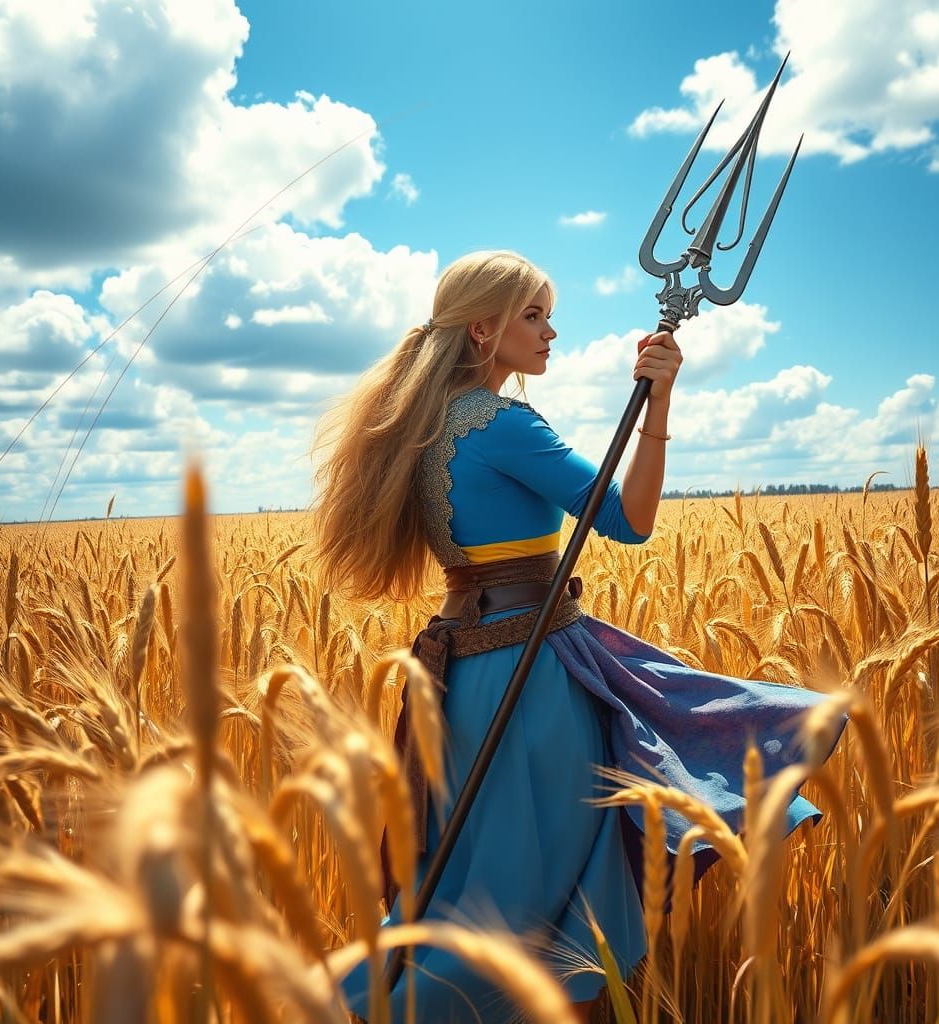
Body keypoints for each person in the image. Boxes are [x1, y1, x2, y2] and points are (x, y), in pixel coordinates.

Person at [311, 250, 845, 1023]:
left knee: (465, 888)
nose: (552, 330)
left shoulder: (428, 426)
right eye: (533, 315)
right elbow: (627, 522)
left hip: (468, 681)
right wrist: (659, 401)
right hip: (531, 690)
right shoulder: (500, 423)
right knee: (517, 905)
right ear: (482, 329)